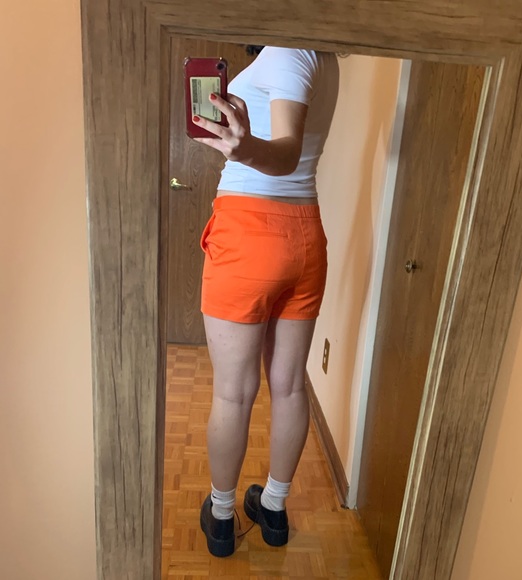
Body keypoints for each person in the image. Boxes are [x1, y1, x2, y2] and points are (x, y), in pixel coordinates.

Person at [193, 45, 339, 558]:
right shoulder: (324, 57)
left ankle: (222, 516)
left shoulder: (289, 49)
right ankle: (273, 508)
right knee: (290, 384)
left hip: (250, 230)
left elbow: (287, 152)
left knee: (234, 392)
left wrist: (243, 147)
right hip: (305, 236)